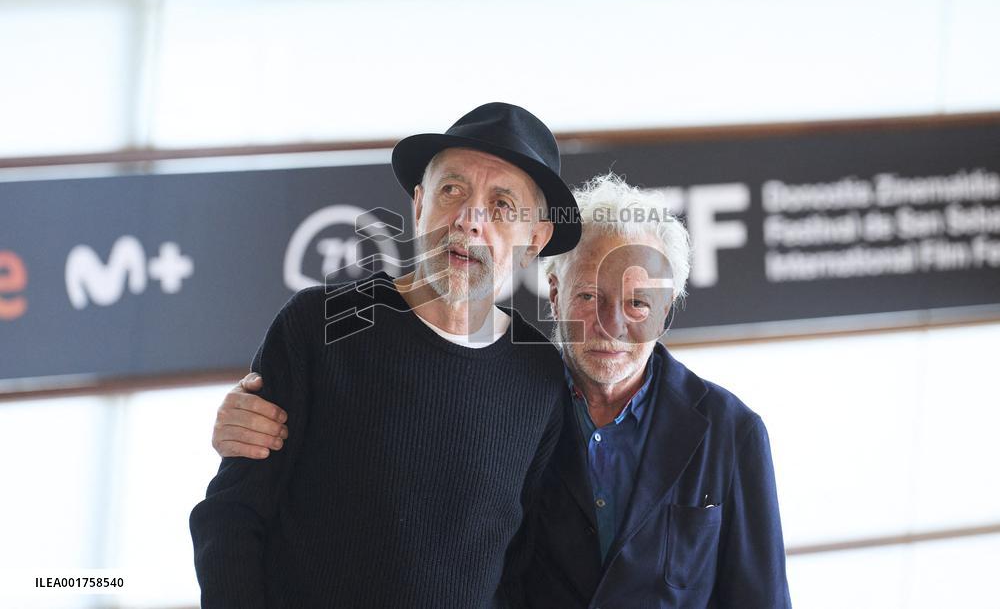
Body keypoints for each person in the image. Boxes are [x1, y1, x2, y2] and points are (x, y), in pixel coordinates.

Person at [214, 175, 792, 607]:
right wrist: (254, 414)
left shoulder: (730, 431)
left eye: (639, 303)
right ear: (555, 291)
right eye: (589, 297)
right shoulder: (516, 395)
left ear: (668, 313)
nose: (611, 327)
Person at [190, 101, 582, 609]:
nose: (468, 220)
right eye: (452, 190)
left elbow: (520, 568)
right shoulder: (318, 326)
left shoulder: (542, 378)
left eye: (502, 206)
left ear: (536, 239)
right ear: (419, 204)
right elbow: (231, 518)